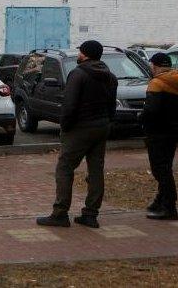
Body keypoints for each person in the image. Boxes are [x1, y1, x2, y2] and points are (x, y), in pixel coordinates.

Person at [37, 40, 118, 229]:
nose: (79, 54)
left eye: (80, 51)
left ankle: (60, 213)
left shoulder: (78, 74)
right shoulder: (110, 76)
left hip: (80, 128)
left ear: (85, 54)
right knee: (96, 170)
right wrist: (108, 122)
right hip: (101, 126)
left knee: (64, 168)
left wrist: (65, 126)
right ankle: (91, 214)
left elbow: (70, 104)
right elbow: (112, 104)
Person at [142, 52, 178, 221]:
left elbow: (151, 111)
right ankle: (160, 200)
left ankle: (169, 206)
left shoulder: (156, 84)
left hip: (157, 132)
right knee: (165, 166)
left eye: (151, 66)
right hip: (175, 131)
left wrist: (140, 119)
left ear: (155, 66)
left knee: (159, 169)